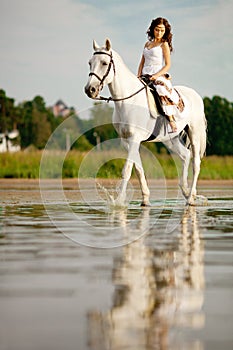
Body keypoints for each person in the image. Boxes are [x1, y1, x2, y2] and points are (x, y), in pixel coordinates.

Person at [137, 17, 179, 132]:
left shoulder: (164, 44)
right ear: (152, 29)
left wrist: (156, 75)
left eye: (162, 30)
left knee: (160, 90)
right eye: (157, 29)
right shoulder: (147, 44)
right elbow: (142, 62)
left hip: (158, 74)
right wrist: (138, 74)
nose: (159, 32)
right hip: (145, 74)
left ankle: (170, 119)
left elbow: (167, 65)